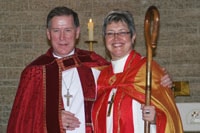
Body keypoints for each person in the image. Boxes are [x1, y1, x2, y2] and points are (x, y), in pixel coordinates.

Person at [7, 6, 173, 133]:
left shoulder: (95, 64)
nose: (62, 37)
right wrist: (52, 120)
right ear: (48, 34)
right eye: (56, 31)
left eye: (68, 30)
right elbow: (21, 121)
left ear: (77, 32)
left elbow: (130, 78)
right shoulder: (34, 72)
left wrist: (162, 81)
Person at [92, 9, 183, 133]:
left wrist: (156, 119)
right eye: (110, 33)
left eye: (122, 32)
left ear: (133, 36)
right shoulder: (102, 76)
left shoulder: (147, 70)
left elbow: (170, 115)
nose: (116, 38)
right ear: (104, 39)